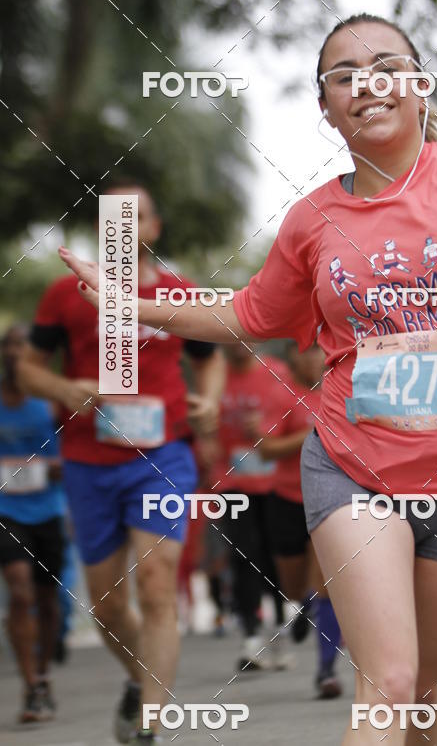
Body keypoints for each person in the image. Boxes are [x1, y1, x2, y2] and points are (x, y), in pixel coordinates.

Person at [57, 13, 437, 746]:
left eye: (386, 67)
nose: (366, 84)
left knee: (426, 695)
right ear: (326, 107)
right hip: (353, 468)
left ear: (420, 85)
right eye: (344, 76)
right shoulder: (313, 221)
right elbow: (247, 313)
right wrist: (131, 299)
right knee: (389, 684)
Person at [19, 184, 223, 745]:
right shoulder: (66, 294)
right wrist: (63, 387)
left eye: (137, 217)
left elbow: (209, 361)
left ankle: (151, 725)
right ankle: (141, 681)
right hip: (89, 461)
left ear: (154, 228)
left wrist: (209, 400)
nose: (126, 226)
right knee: (107, 608)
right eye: (115, 217)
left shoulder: (179, 293)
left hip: (163, 455)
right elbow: (28, 370)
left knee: (157, 584)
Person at [260, 341, 343, 697]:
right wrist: (312, 433)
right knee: (294, 588)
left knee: (326, 583)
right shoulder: (281, 395)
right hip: (287, 501)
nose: (312, 359)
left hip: (328, 497)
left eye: (317, 351)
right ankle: (305, 602)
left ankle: (326, 671)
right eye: (305, 351)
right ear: (293, 356)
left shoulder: (341, 389)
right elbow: (265, 449)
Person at [208, 341, 292, 671]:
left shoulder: (278, 373)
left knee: (274, 556)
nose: (239, 343)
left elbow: (294, 419)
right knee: (242, 554)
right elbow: (202, 420)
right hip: (232, 480)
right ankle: (251, 635)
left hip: (273, 480)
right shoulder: (215, 375)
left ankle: (281, 626)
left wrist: (267, 430)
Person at [0, 324, 65, 723]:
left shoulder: (52, 401)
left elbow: (71, 451)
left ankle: (43, 673)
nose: (13, 352)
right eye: (8, 345)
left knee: (46, 600)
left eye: (21, 346)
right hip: (6, 511)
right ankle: (30, 684)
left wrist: (54, 467)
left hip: (48, 510)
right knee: (20, 591)